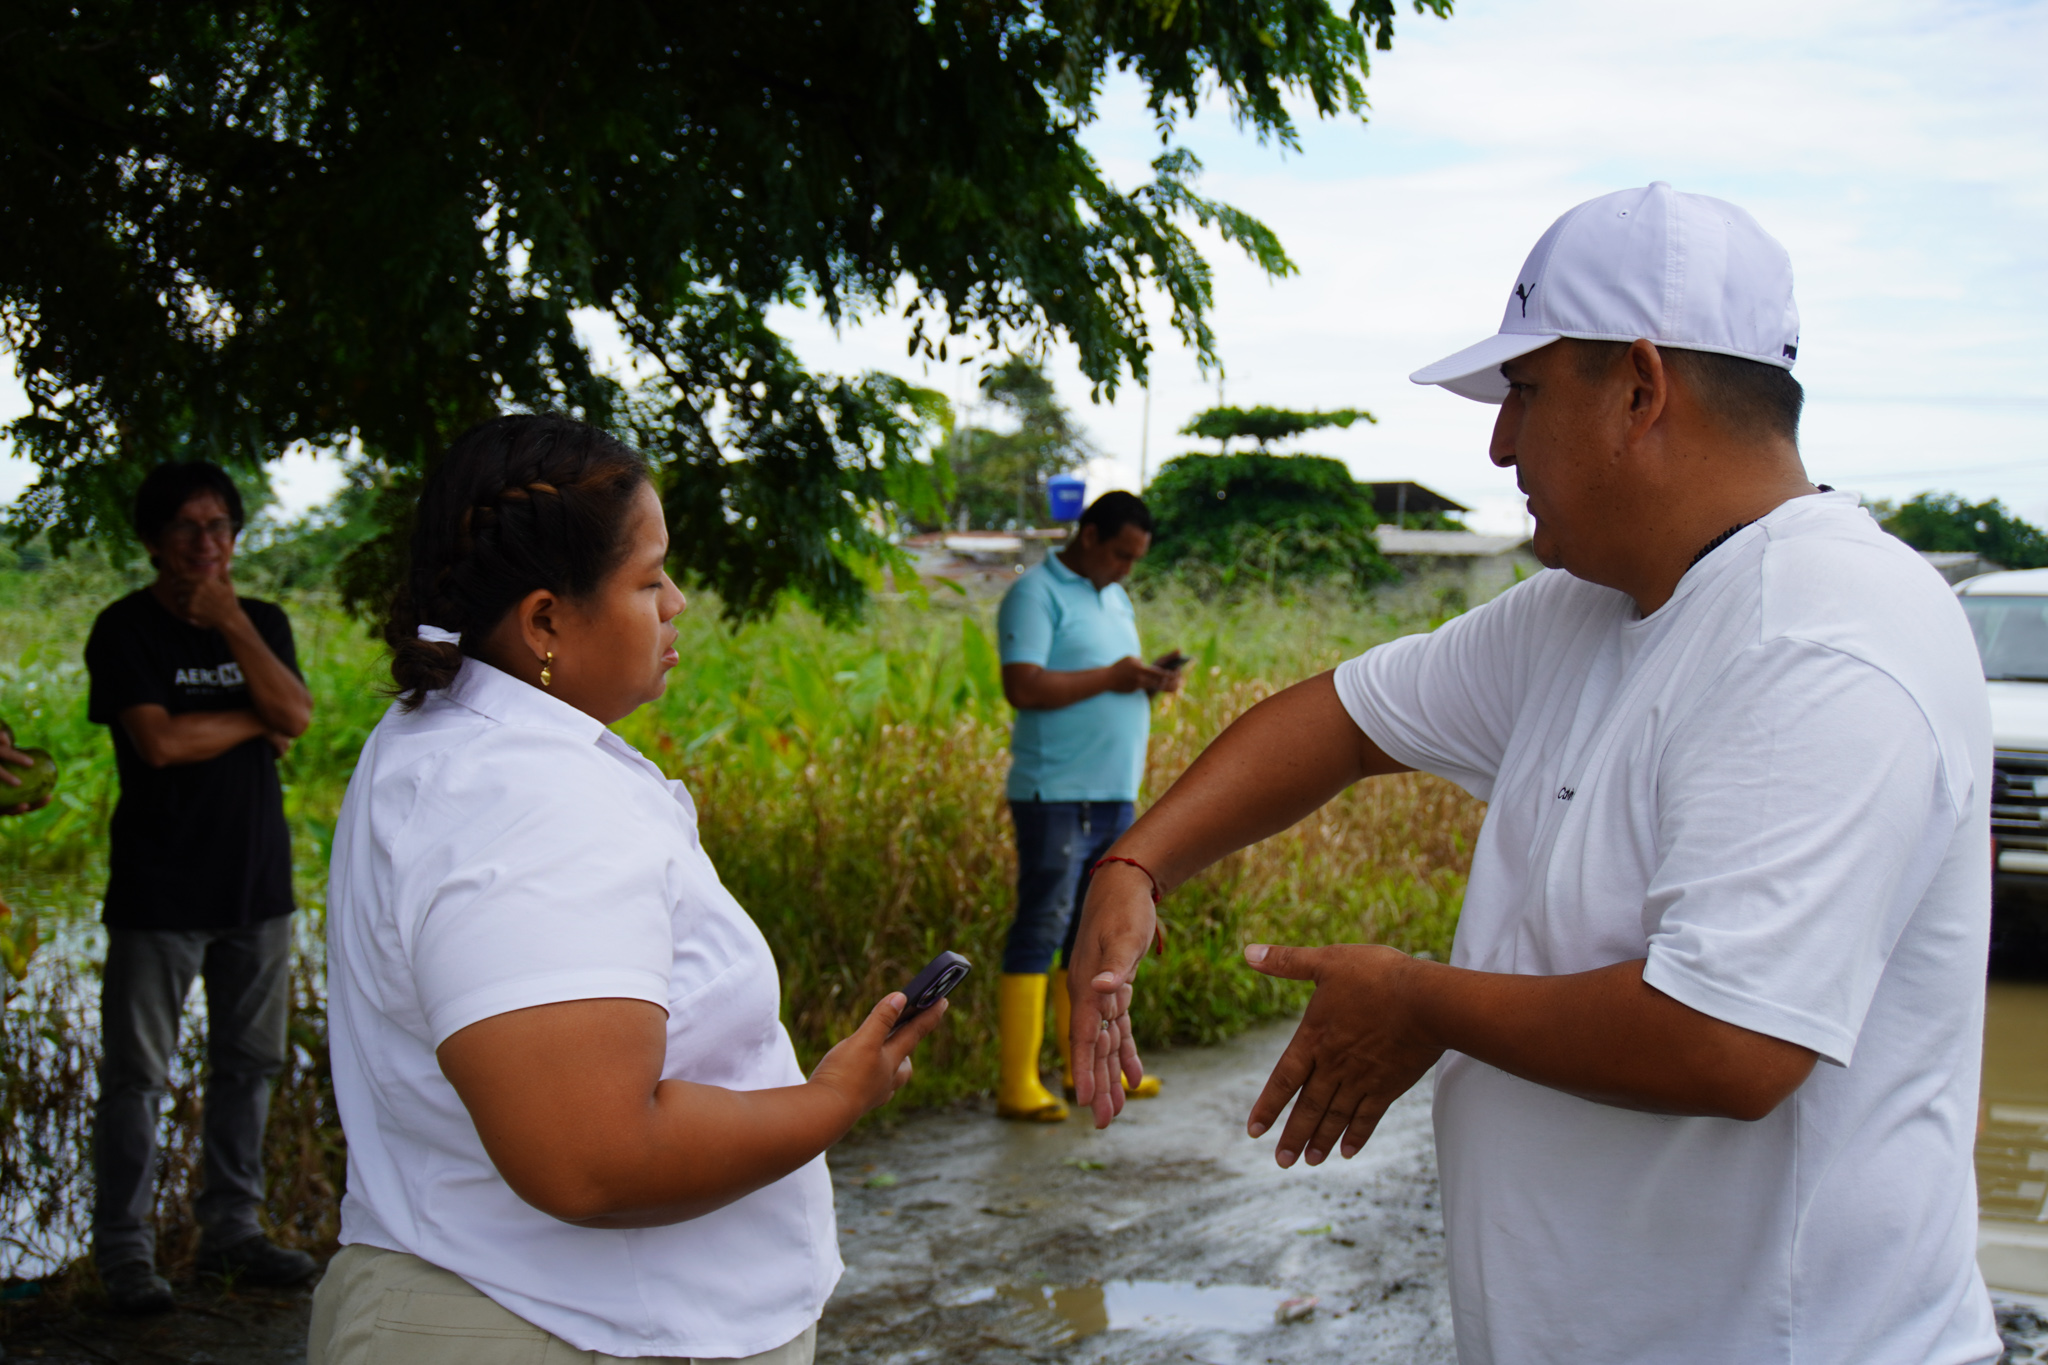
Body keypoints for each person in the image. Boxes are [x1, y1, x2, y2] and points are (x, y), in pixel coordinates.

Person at [1066, 183, 2003, 1363]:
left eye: (1522, 391)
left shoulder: (1817, 632)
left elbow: (1726, 1042)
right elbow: (1344, 720)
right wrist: (1134, 865)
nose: (1499, 443)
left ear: (1639, 389)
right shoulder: (1586, 611)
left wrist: (1419, 1000)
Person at [309, 415, 947, 1365]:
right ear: (544, 620)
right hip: (555, 1327)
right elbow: (592, 1157)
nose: (677, 602)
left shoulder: (452, 740)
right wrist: (832, 1099)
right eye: (649, 581)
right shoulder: (526, 800)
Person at [84, 461, 316, 1313]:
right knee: (137, 1076)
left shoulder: (262, 620)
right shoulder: (124, 629)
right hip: (159, 890)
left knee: (249, 1065)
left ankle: (233, 1231)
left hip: (256, 885)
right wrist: (257, 717)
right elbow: (159, 744)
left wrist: (231, 624)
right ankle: (125, 1253)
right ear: (152, 540)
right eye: (186, 526)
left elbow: (297, 716)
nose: (206, 542)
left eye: (220, 525)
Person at [993, 490, 1181, 1121]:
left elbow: (1107, 679)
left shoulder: (1114, 597)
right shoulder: (1036, 593)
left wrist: (1146, 681)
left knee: (1091, 936)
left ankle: (1084, 1072)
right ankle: (1018, 1082)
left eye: (1136, 560)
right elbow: (1023, 686)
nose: (1126, 569)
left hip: (1112, 792)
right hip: (1056, 793)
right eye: (1121, 555)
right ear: (1090, 535)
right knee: (1041, 928)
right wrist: (1115, 677)